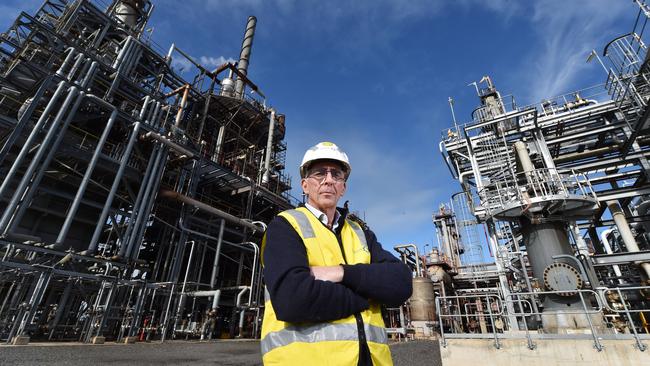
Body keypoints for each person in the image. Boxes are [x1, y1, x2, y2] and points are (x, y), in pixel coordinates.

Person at [260, 141, 413, 366]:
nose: (329, 180)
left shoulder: (360, 233)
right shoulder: (286, 226)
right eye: (320, 173)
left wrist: (341, 273)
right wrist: (368, 297)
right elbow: (292, 298)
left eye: (337, 175)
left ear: (343, 188)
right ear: (304, 185)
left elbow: (401, 283)